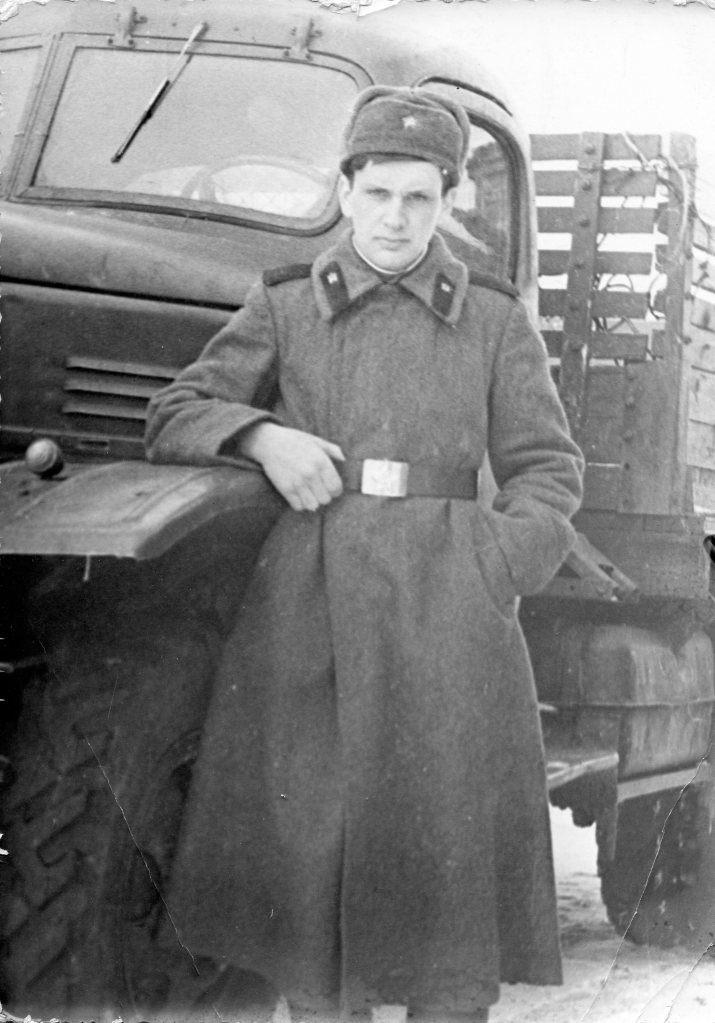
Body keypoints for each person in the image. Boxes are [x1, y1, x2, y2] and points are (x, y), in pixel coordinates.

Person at [145, 86, 584, 1023]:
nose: (394, 218)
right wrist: (262, 436)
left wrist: (495, 564)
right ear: (344, 192)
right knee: (315, 872)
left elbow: (548, 468)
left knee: (445, 881)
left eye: (418, 197)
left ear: (449, 202)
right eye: (377, 193)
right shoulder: (287, 305)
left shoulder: (493, 318)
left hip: (450, 613)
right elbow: (175, 411)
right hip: (313, 610)